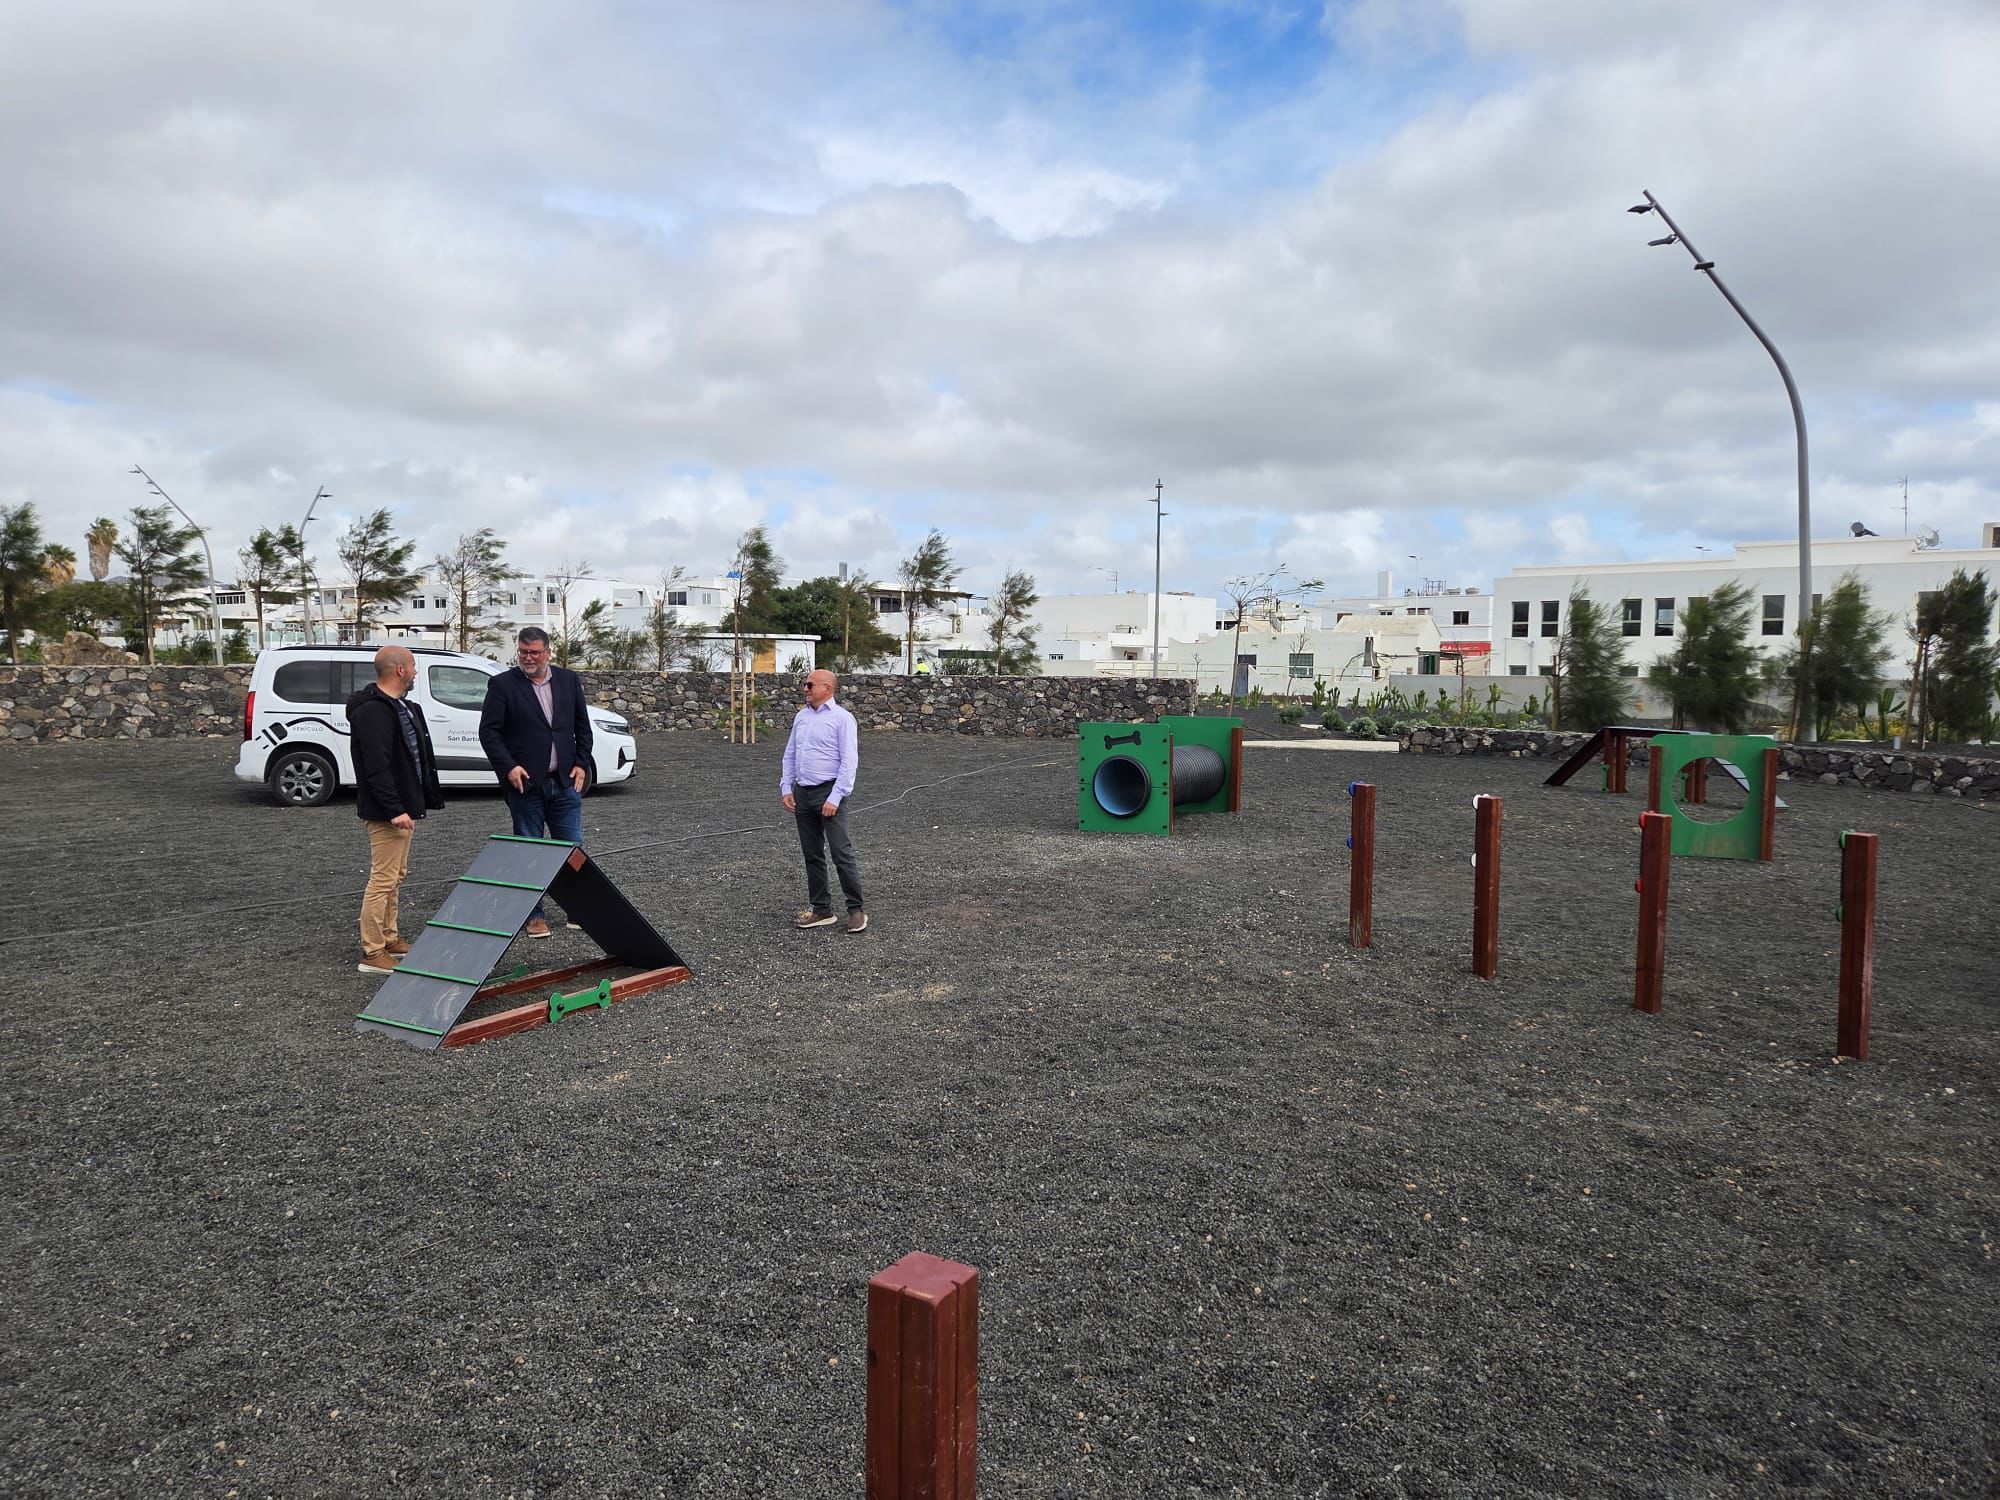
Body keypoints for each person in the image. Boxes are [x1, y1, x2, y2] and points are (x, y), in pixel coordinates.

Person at [478, 626, 594, 938]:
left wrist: (582, 763)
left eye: (534, 652)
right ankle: (534, 916)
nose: (528, 658)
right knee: (530, 850)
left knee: (573, 849)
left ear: (548, 652)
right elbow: (488, 732)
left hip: (565, 781)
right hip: (525, 785)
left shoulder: (569, 681)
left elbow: (582, 727)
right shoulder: (502, 685)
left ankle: (579, 909)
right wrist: (508, 767)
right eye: (523, 652)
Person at [346, 644, 444, 974]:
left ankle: (389, 939)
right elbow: (376, 766)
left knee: (396, 876)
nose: (416, 671)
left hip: (402, 807)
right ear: (399, 670)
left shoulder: (401, 707)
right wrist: (393, 808)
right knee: (383, 879)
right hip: (386, 811)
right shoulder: (373, 711)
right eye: (413, 665)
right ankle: (372, 952)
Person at [781, 667, 867, 933]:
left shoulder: (842, 719)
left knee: (841, 852)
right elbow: (790, 753)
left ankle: (856, 910)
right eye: (805, 685)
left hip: (829, 793)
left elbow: (849, 760)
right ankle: (822, 910)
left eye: (810, 685)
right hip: (803, 793)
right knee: (812, 854)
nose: (805, 689)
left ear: (827, 689)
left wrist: (836, 796)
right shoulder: (801, 717)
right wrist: (787, 786)